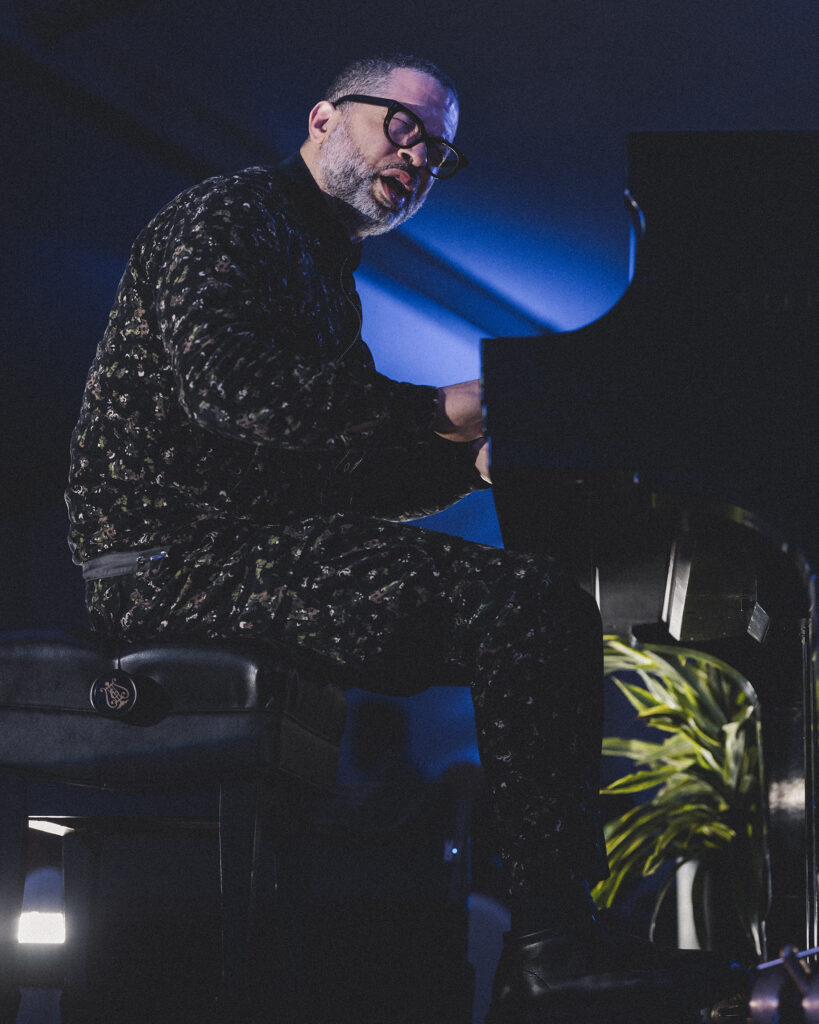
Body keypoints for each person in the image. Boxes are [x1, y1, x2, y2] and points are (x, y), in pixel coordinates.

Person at [65, 54, 746, 1022]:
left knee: (541, 602)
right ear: (323, 119)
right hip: (168, 563)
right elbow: (238, 393)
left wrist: (459, 465)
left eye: (438, 153)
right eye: (404, 127)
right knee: (527, 606)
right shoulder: (227, 219)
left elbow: (339, 467)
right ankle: (554, 949)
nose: (421, 159)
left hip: (244, 552)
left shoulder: (322, 272)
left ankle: (557, 939)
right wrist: (434, 409)